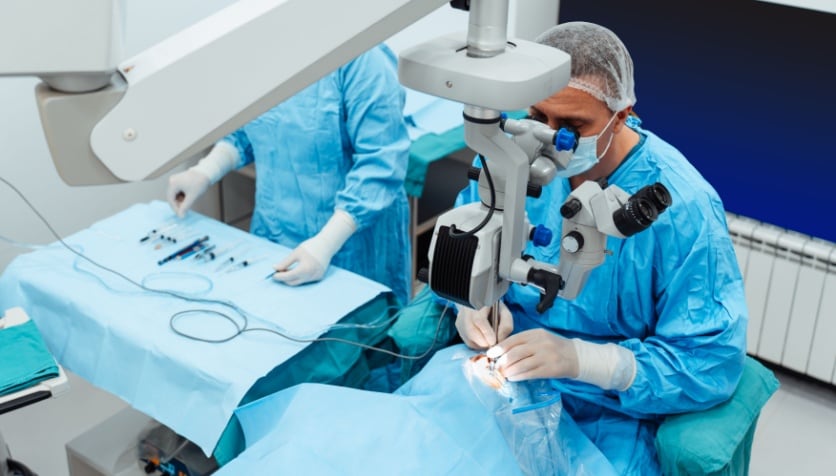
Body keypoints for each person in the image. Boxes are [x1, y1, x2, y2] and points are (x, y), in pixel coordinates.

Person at [453, 22, 748, 474]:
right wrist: (471, 303)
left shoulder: (684, 207)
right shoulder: (508, 159)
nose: (549, 139)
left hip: (609, 412)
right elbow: (466, 240)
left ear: (623, 115)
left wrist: (584, 359)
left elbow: (709, 361)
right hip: (503, 375)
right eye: (538, 117)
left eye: (572, 126)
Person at [166, 44, 412, 306]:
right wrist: (205, 171)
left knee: (356, 339)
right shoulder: (263, 48)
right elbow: (249, 131)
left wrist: (327, 242)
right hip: (273, 232)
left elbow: (382, 161)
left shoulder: (362, 57)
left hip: (352, 245)